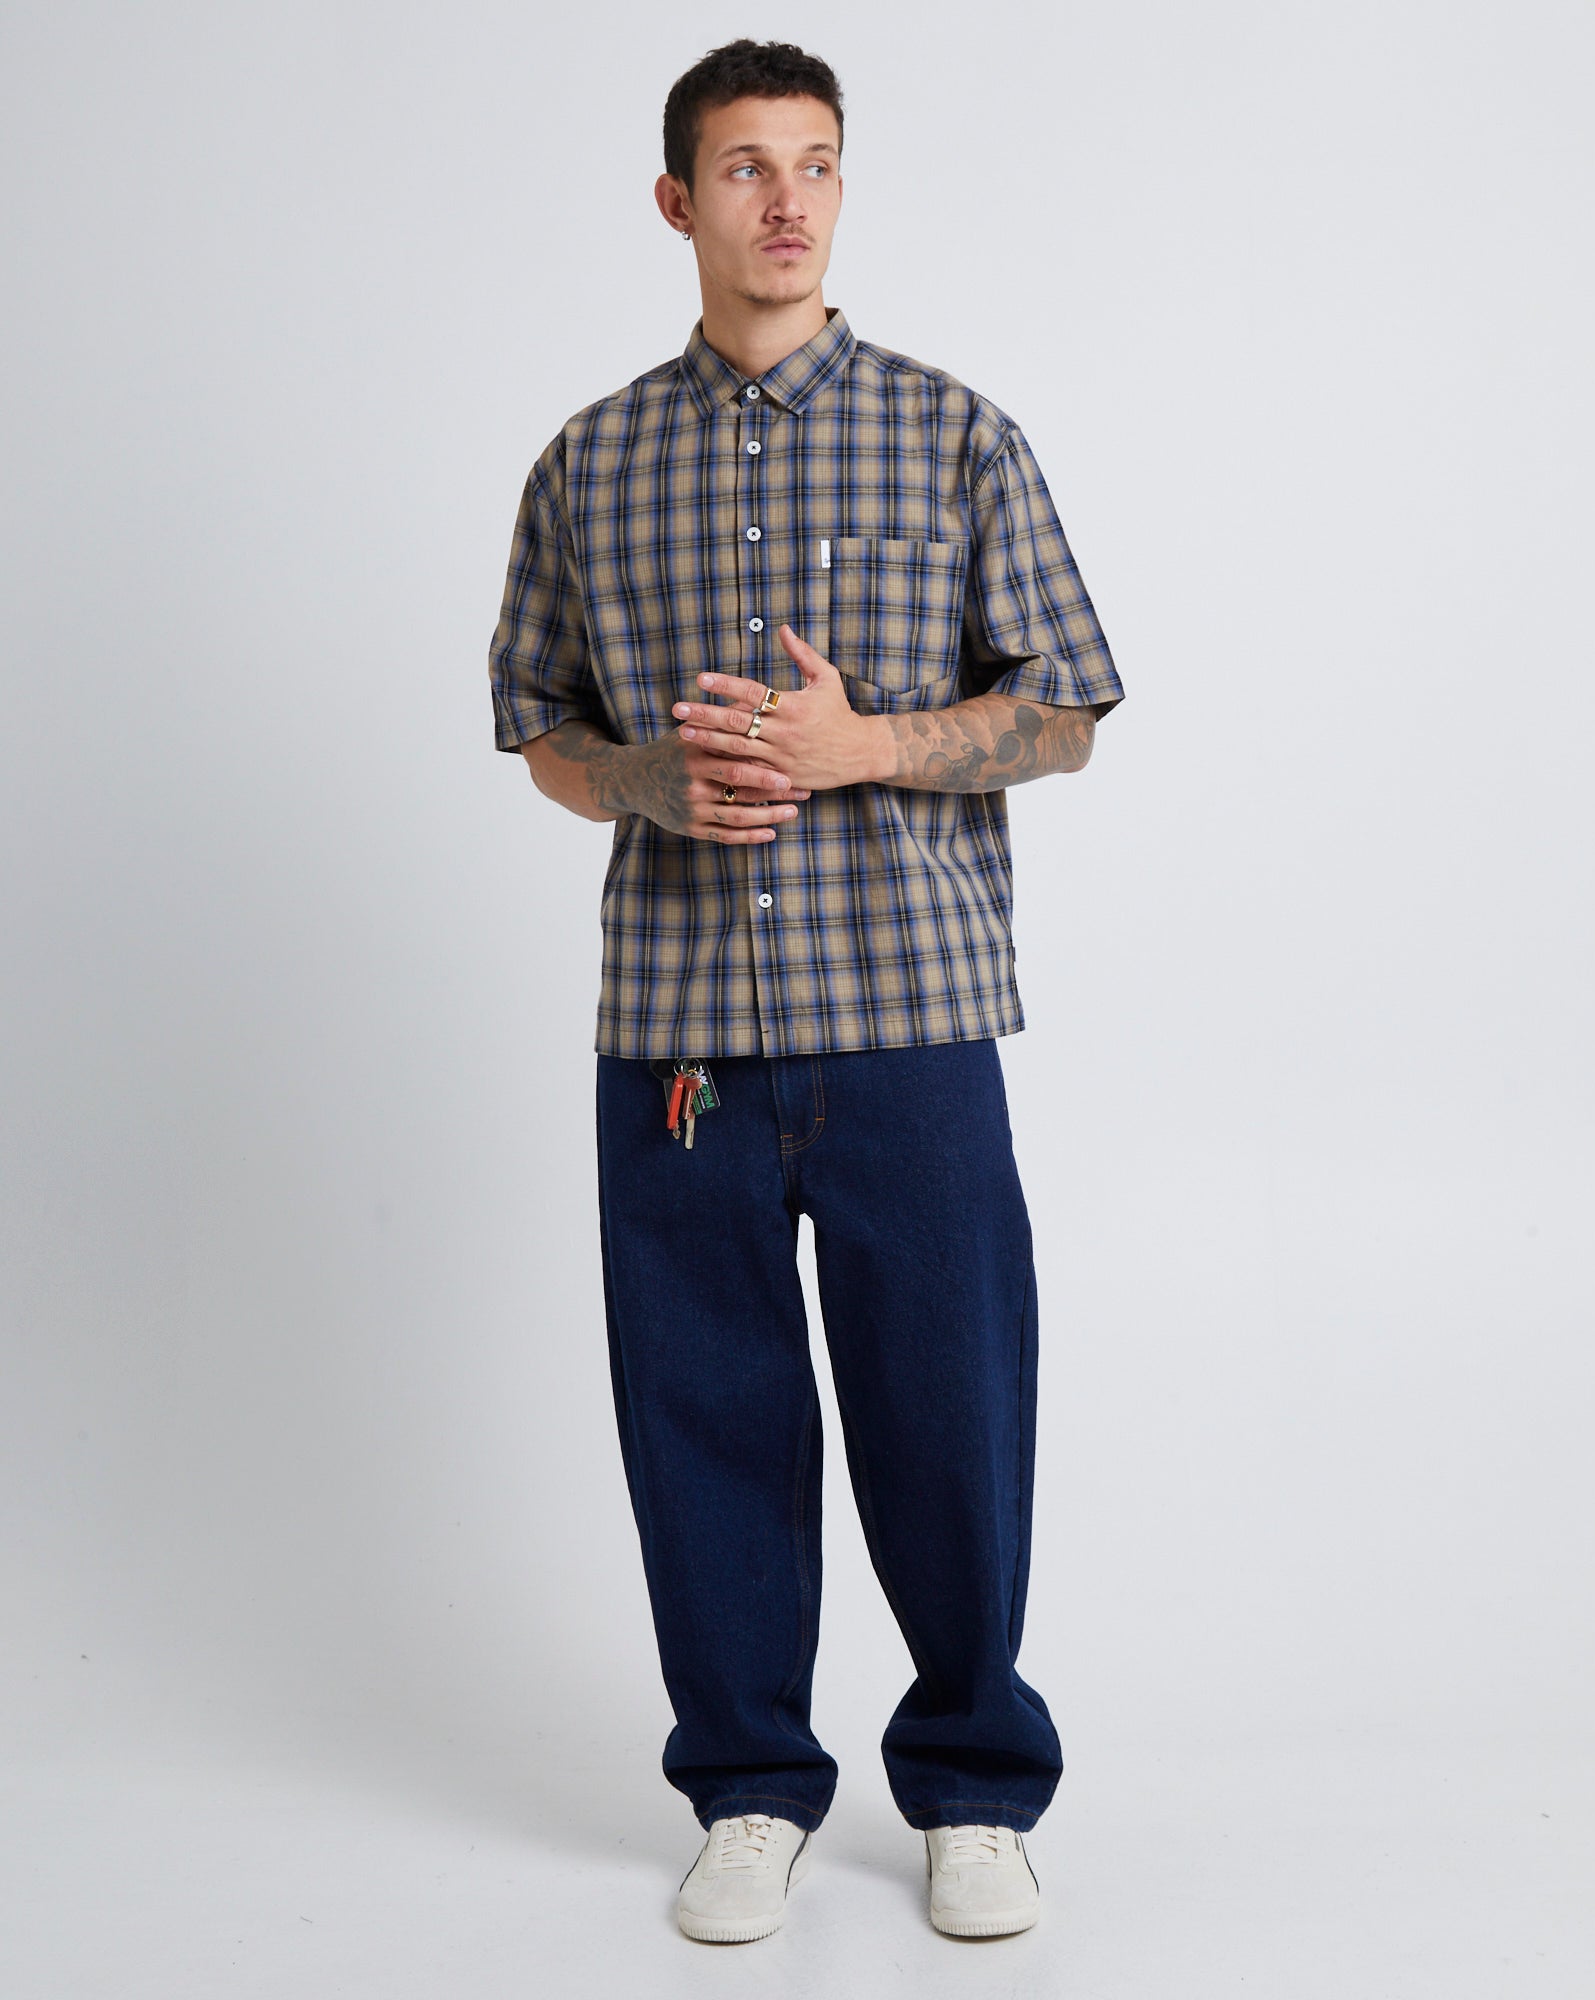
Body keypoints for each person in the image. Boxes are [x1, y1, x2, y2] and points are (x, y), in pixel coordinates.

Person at [487, 37, 1124, 1945]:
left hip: (910, 1018)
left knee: (952, 1409)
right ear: (676, 200)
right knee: (703, 1417)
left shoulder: (955, 433)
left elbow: (1068, 714)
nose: (787, 200)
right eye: (747, 167)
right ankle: (749, 1787)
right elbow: (544, 732)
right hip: (679, 1035)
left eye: (817, 163)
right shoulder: (588, 462)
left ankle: (976, 1790)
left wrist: (869, 748)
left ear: (844, 187)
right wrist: (644, 783)